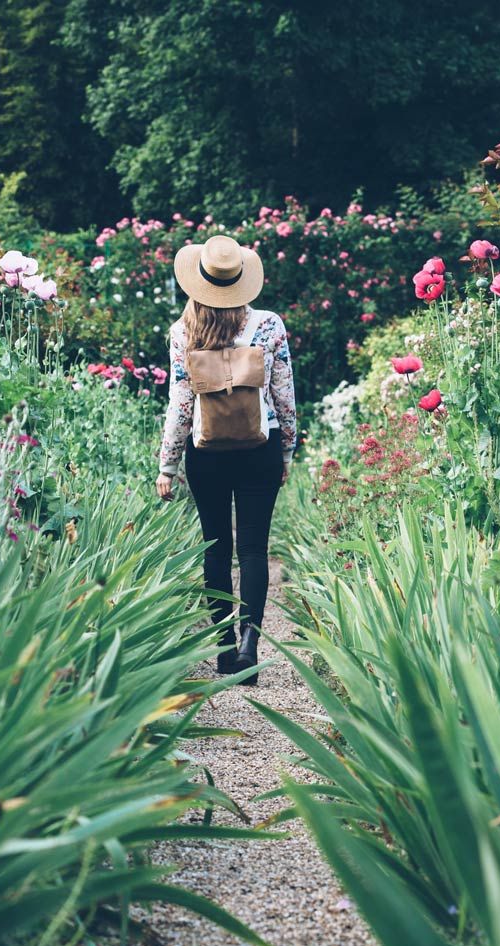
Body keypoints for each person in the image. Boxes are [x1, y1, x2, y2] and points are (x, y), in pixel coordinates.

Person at [156, 234, 297, 683]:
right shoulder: (270, 325)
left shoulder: (183, 332)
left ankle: (222, 650)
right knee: (254, 549)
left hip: (205, 452)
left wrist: (167, 464)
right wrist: (287, 449)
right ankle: (249, 648)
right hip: (261, 446)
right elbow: (285, 395)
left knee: (216, 548)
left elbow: (180, 403)